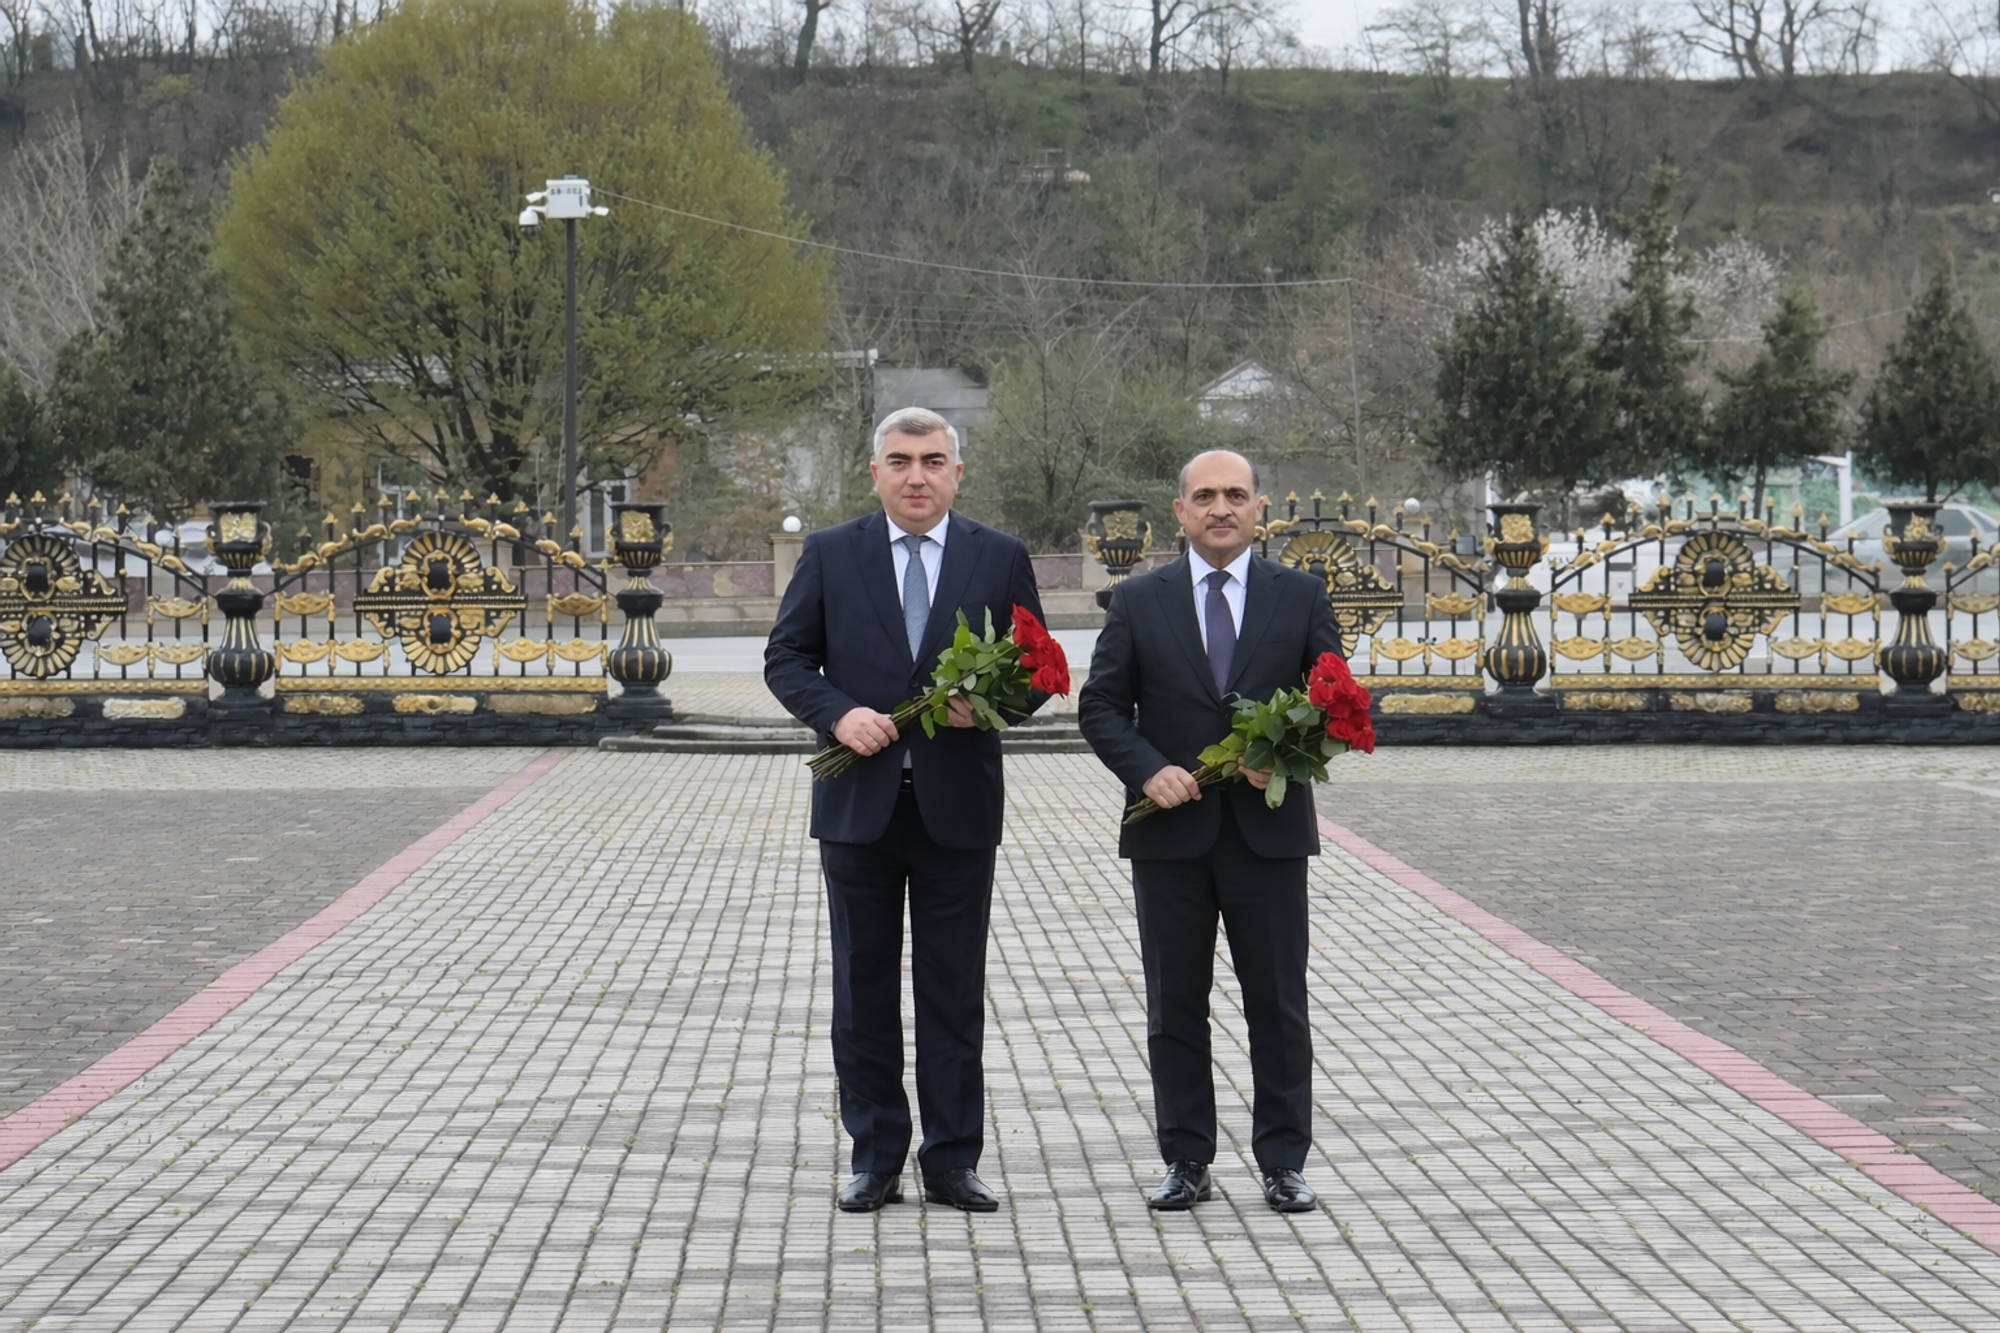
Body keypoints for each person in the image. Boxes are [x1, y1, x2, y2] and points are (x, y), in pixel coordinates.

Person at [765, 406, 1046, 1214]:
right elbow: (786, 655)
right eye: (900, 461)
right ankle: (876, 1155)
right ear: (876, 472)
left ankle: (952, 1159)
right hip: (859, 806)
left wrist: (992, 704)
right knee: (864, 988)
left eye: (932, 460)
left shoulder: (998, 556)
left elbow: (1034, 670)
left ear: (958, 471)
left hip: (957, 807)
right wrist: (836, 712)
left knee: (953, 991)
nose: (916, 475)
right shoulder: (831, 553)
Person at [1076, 449, 1344, 1214]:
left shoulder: (1300, 594)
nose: (1220, 506)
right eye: (1205, 496)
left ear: (1260, 508)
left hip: (1268, 832)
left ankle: (1284, 1160)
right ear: (1181, 511)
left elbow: (1336, 701)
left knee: (1278, 1003)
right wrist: (1146, 769)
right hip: (1170, 834)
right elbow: (1100, 707)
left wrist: (1286, 756)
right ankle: (1185, 1157)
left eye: (1235, 494)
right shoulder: (1138, 599)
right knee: (1175, 1005)